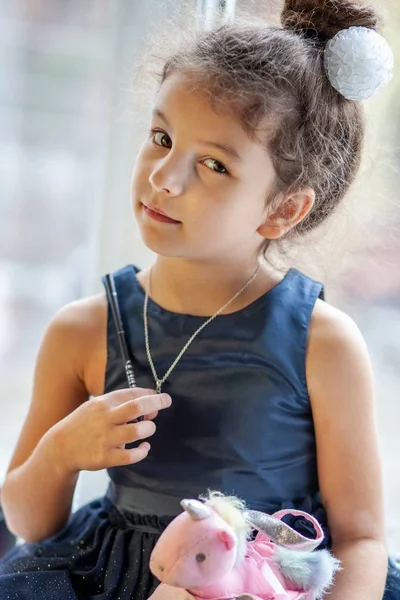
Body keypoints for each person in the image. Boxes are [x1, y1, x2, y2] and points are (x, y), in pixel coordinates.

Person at [0, 0, 399, 598]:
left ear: (282, 209)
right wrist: (61, 453)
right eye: (161, 137)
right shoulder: (81, 331)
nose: (165, 176)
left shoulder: (325, 343)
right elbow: (29, 523)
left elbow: (362, 539)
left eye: (213, 164)